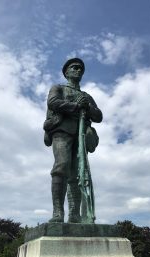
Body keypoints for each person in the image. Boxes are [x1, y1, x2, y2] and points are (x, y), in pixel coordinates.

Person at [43, 58, 102, 223]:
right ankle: (58, 213)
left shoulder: (86, 96)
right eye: (74, 68)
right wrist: (75, 106)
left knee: (77, 175)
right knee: (61, 166)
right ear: (66, 72)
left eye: (80, 69)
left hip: (81, 136)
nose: (78, 70)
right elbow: (53, 102)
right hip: (61, 131)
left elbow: (99, 116)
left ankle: (74, 215)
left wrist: (88, 107)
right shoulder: (58, 88)